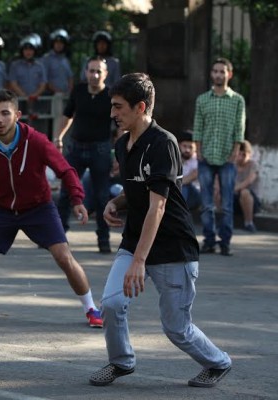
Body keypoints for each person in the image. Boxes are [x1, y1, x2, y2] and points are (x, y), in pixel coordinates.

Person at [89, 73, 232, 388]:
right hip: (135, 240)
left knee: (176, 328)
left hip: (172, 247)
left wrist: (140, 261)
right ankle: (121, 362)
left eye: (118, 107)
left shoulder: (163, 143)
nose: (112, 114)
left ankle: (218, 362)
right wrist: (116, 202)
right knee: (111, 305)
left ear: (140, 107)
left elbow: (159, 205)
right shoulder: (122, 145)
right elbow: (137, 190)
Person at [0, 89, 103, 328]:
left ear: (17, 115)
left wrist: (77, 200)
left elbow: (65, 170)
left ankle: (92, 309)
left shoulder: (35, 141)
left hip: (38, 208)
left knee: (64, 257)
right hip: (2, 208)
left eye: (5, 113)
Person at [54, 56, 113, 253]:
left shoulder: (111, 95)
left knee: (102, 195)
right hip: (76, 147)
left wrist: (121, 152)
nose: (94, 75)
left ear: (105, 74)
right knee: (65, 192)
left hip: (101, 149)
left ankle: (103, 240)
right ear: (86, 72)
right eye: (91, 71)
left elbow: (120, 123)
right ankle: (58, 236)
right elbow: (67, 114)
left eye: (99, 71)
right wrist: (59, 137)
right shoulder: (78, 90)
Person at [193, 57, 245, 256]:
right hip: (206, 157)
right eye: (215, 71)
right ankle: (208, 240)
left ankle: (225, 242)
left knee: (227, 204)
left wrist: (234, 152)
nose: (218, 75)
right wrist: (198, 152)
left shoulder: (237, 100)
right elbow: (198, 127)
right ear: (211, 74)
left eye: (222, 71)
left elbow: (239, 129)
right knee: (206, 203)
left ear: (229, 74)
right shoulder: (202, 99)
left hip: (227, 158)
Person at [233, 140, 260, 233]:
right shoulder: (232, 166)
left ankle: (249, 222)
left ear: (249, 154)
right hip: (235, 199)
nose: (241, 157)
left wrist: (235, 188)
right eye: (239, 154)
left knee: (244, 192)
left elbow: (249, 181)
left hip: (251, 200)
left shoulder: (253, 165)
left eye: (244, 154)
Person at [41, 28, 73, 95]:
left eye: (61, 43)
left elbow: (70, 77)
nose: (59, 45)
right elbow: (44, 79)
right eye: (57, 43)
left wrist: (70, 90)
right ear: (53, 44)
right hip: (52, 95)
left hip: (66, 95)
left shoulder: (65, 59)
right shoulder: (46, 59)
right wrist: (57, 91)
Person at [178, 129, 201, 211]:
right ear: (179, 145)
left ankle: (179, 211)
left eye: (190, 147)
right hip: (179, 192)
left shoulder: (198, 160)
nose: (187, 150)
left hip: (196, 195)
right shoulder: (175, 159)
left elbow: (189, 178)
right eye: (184, 146)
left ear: (195, 148)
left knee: (185, 185)